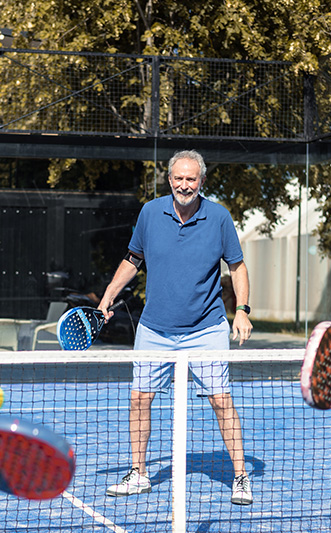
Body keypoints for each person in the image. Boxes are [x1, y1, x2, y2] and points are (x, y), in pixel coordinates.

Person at [99, 150, 254, 505]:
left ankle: (241, 477)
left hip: (207, 328)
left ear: (202, 182)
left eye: (192, 179)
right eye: (179, 178)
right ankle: (139, 474)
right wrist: (108, 295)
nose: (185, 185)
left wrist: (242, 310)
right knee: (140, 399)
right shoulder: (150, 213)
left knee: (221, 401)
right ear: (169, 180)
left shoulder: (218, 217)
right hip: (154, 329)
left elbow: (238, 266)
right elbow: (133, 259)